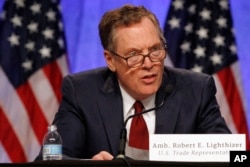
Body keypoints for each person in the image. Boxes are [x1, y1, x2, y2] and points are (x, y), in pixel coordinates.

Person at [35, 4, 231, 161]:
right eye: (134, 56)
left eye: (155, 50)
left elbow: (235, 158)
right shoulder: (82, 92)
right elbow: (49, 159)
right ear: (110, 60)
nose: (148, 64)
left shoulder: (196, 90)